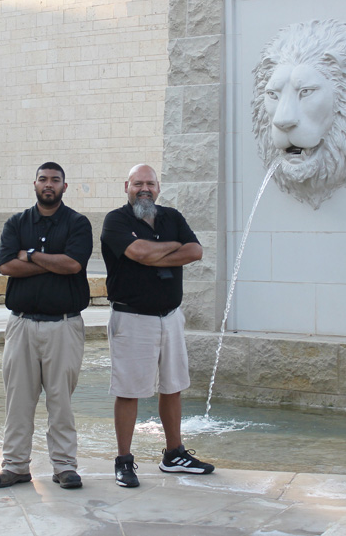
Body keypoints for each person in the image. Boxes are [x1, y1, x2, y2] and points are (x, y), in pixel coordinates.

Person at [100, 163, 215, 488]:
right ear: (127, 186)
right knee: (128, 390)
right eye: (138, 183)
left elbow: (195, 251)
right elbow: (136, 251)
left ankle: (174, 454)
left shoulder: (172, 217)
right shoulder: (116, 220)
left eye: (150, 183)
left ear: (158, 187)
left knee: (172, 386)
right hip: (132, 317)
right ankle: (124, 460)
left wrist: (154, 255)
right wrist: (167, 250)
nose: (144, 188)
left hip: (171, 316)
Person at [0, 162, 92, 490]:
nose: (49, 185)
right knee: (18, 399)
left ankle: (64, 467)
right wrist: (52, 262)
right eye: (44, 179)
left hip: (64, 326)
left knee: (60, 400)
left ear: (64, 186)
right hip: (21, 326)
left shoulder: (78, 223)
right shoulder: (16, 223)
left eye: (55, 180)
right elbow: (5, 266)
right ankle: (15, 466)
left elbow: (73, 264)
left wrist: (30, 255)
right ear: (34, 184)